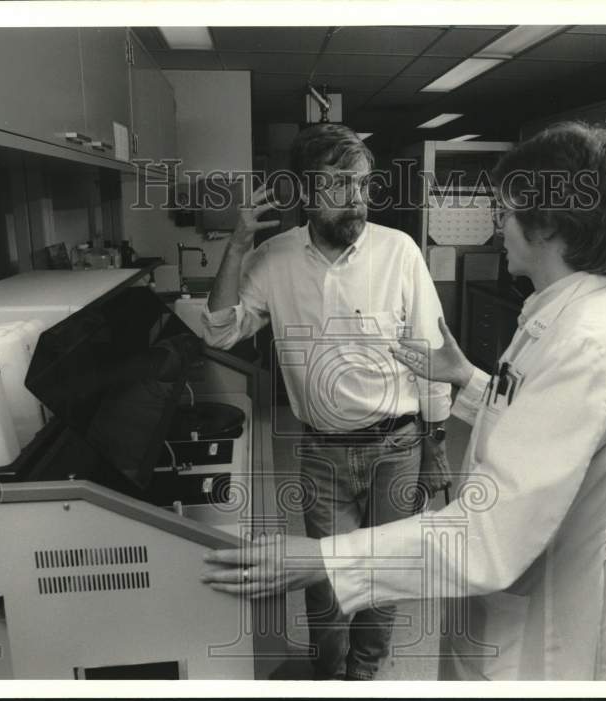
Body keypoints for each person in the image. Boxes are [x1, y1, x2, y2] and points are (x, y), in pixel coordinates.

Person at [201, 121, 606, 681]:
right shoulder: (556, 317)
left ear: (550, 223)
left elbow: (488, 538)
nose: (497, 225)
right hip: (333, 455)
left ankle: (363, 674)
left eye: (507, 211)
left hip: (543, 622)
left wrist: (316, 558)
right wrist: (465, 376)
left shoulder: (584, 342)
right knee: (340, 602)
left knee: (373, 595)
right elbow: (532, 419)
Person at [200, 123, 453, 681]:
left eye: (362, 184)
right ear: (306, 193)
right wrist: (237, 245)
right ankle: (328, 676)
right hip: (322, 453)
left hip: (398, 446)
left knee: (384, 575)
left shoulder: (400, 253)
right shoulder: (273, 259)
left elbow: (431, 353)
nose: (356, 200)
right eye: (339, 185)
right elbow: (218, 332)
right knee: (328, 584)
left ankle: (364, 676)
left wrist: (436, 446)